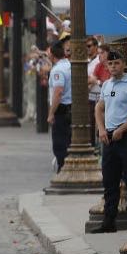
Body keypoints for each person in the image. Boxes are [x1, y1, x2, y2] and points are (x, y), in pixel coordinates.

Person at [93, 47, 127, 233]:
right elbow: (99, 108)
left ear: (123, 64)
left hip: (126, 137)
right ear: (106, 66)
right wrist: (101, 129)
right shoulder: (106, 85)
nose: (113, 66)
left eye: (117, 63)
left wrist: (122, 129)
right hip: (109, 137)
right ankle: (109, 221)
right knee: (109, 181)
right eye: (110, 63)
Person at [46, 38, 73, 172]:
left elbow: (58, 92)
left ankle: (63, 169)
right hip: (71, 108)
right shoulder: (69, 65)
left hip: (62, 110)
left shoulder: (57, 70)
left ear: (51, 54)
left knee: (60, 143)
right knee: (68, 141)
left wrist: (51, 113)